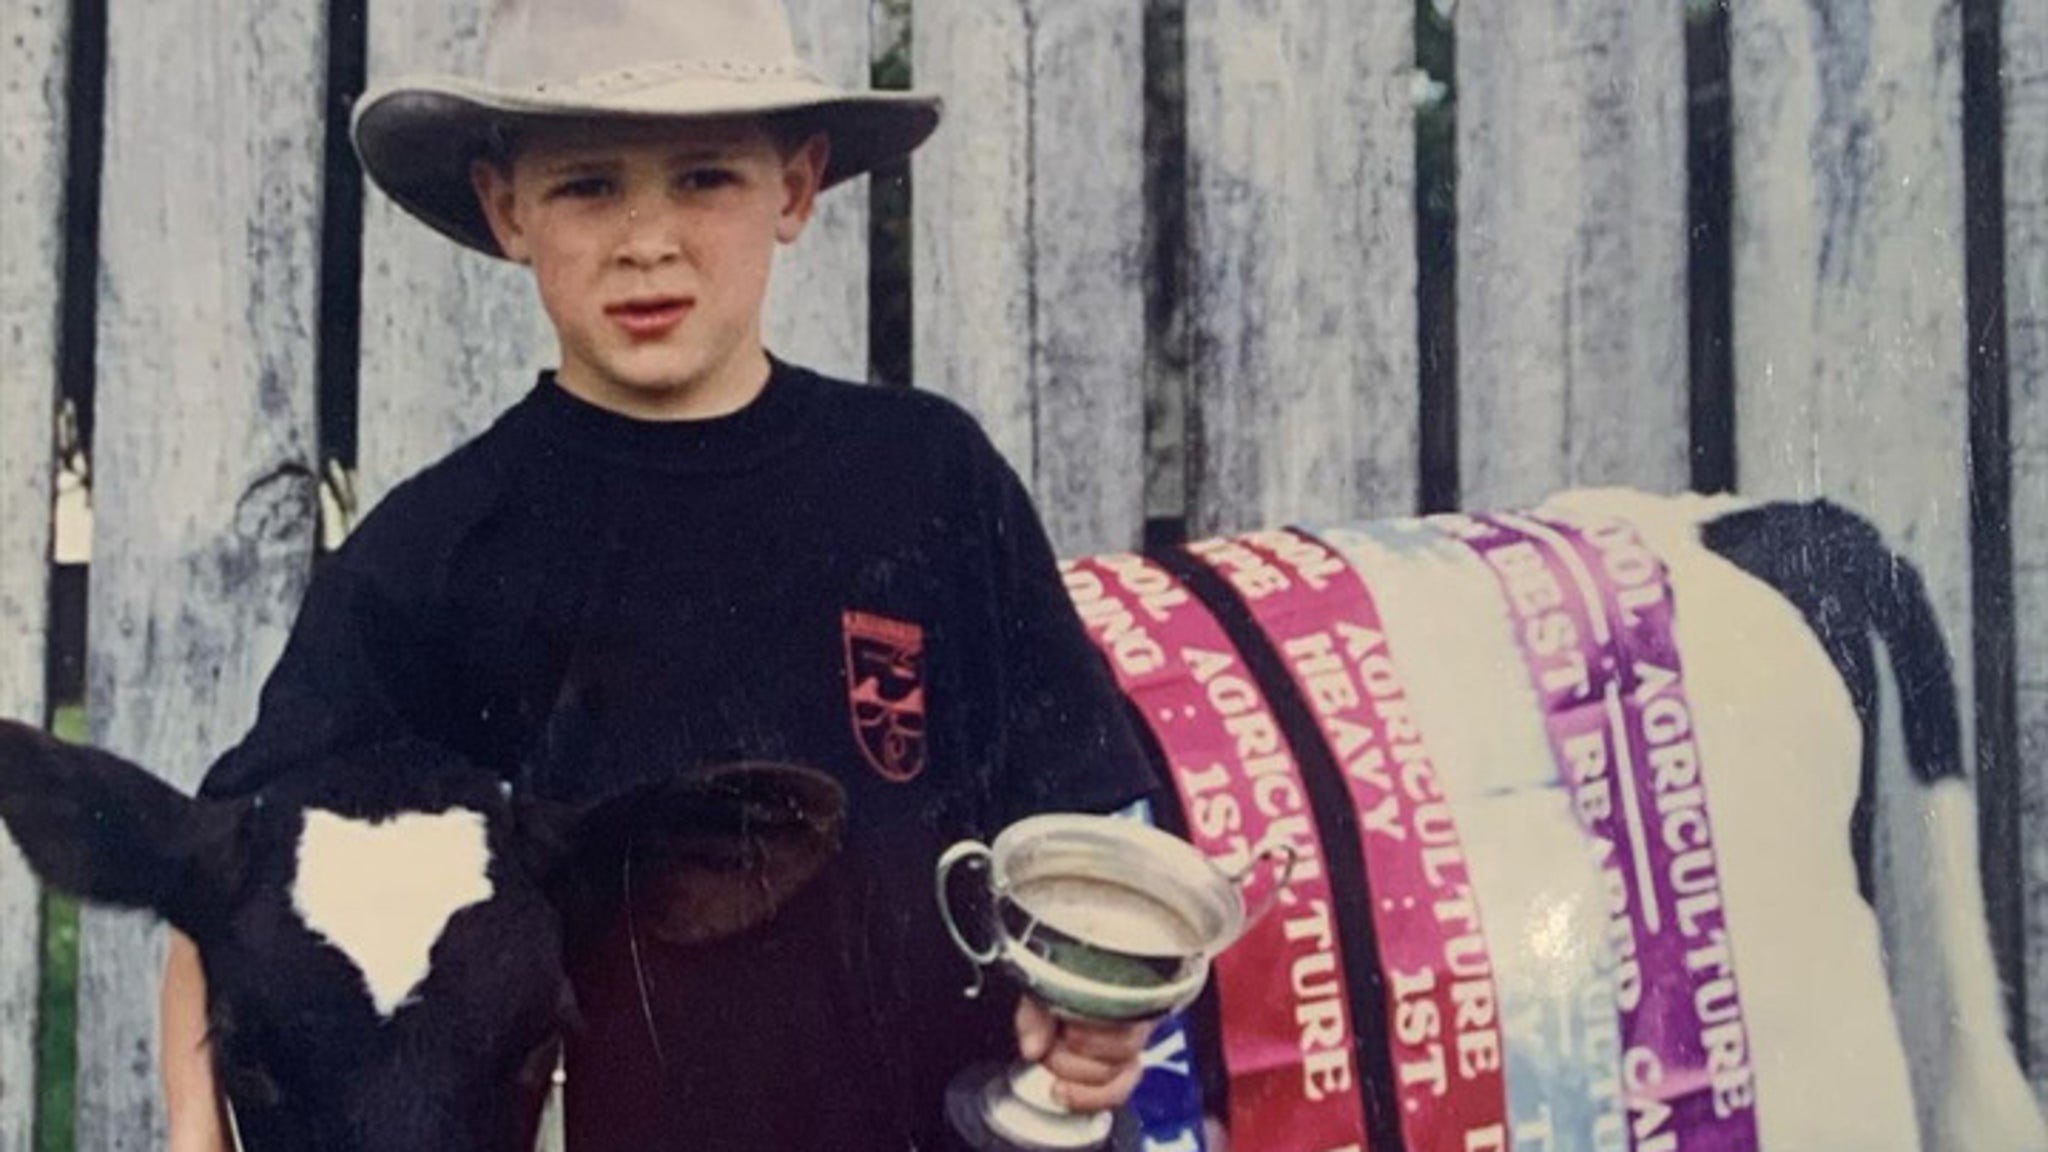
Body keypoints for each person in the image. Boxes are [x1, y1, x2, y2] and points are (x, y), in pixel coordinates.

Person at [158, 1, 1160, 1148]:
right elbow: (224, 862)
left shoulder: (927, 477)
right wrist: (197, 1128)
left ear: (792, 190)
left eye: (703, 179)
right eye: (588, 185)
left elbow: (1074, 809)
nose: (648, 240)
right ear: (506, 206)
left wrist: (1085, 1010)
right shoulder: (437, 552)